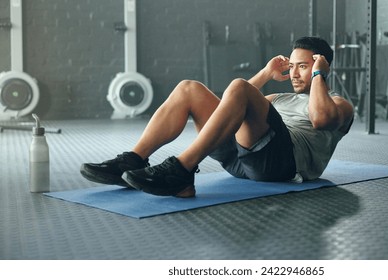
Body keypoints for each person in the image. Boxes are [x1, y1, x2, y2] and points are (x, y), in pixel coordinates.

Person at [80, 36, 354, 198]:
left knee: (238, 86)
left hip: (279, 165)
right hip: (240, 161)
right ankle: (133, 159)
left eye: (303, 67)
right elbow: (228, 110)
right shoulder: (279, 99)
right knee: (190, 88)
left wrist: (319, 73)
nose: (294, 73)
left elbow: (320, 120)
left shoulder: (339, 105)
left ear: (321, 67)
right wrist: (265, 74)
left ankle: (181, 171)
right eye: (292, 66)